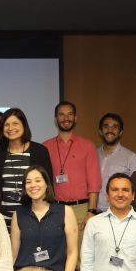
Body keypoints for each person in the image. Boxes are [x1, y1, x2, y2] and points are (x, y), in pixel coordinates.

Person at [43, 101, 101, 239]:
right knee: (58, 255)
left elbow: (94, 182)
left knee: (81, 256)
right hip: (55, 209)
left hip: (81, 209)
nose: (66, 118)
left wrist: (91, 212)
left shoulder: (87, 146)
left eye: (70, 114)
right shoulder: (45, 147)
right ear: (55, 119)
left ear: (76, 118)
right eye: (61, 115)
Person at [0, 108, 52, 229]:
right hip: (3, 220)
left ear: (24, 125)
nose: (10, 128)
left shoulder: (40, 151)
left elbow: (48, 185)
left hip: (34, 218)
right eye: (6, 124)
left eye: (15, 123)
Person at [96, 113, 136, 213]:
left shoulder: (132, 158)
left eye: (115, 127)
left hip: (119, 215)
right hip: (94, 215)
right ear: (100, 131)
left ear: (120, 132)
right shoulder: (92, 155)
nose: (110, 130)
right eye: (106, 127)